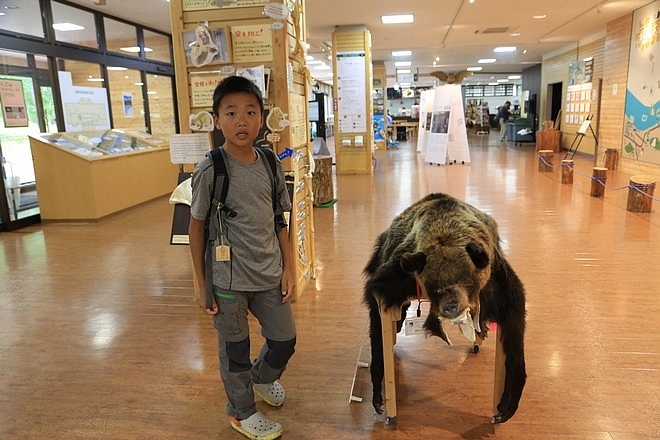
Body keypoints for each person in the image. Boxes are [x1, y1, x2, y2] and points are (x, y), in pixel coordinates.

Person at [188, 75, 296, 440]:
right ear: (217, 120)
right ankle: (241, 411)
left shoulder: (269, 162)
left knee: (285, 340)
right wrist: (203, 287)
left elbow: (281, 219)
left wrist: (290, 269)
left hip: (269, 272)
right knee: (235, 350)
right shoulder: (211, 169)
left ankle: (262, 377)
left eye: (250, 112)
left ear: (261, 117)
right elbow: (196, 229)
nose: (241, 121)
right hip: (228, 281)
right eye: (231, 113)